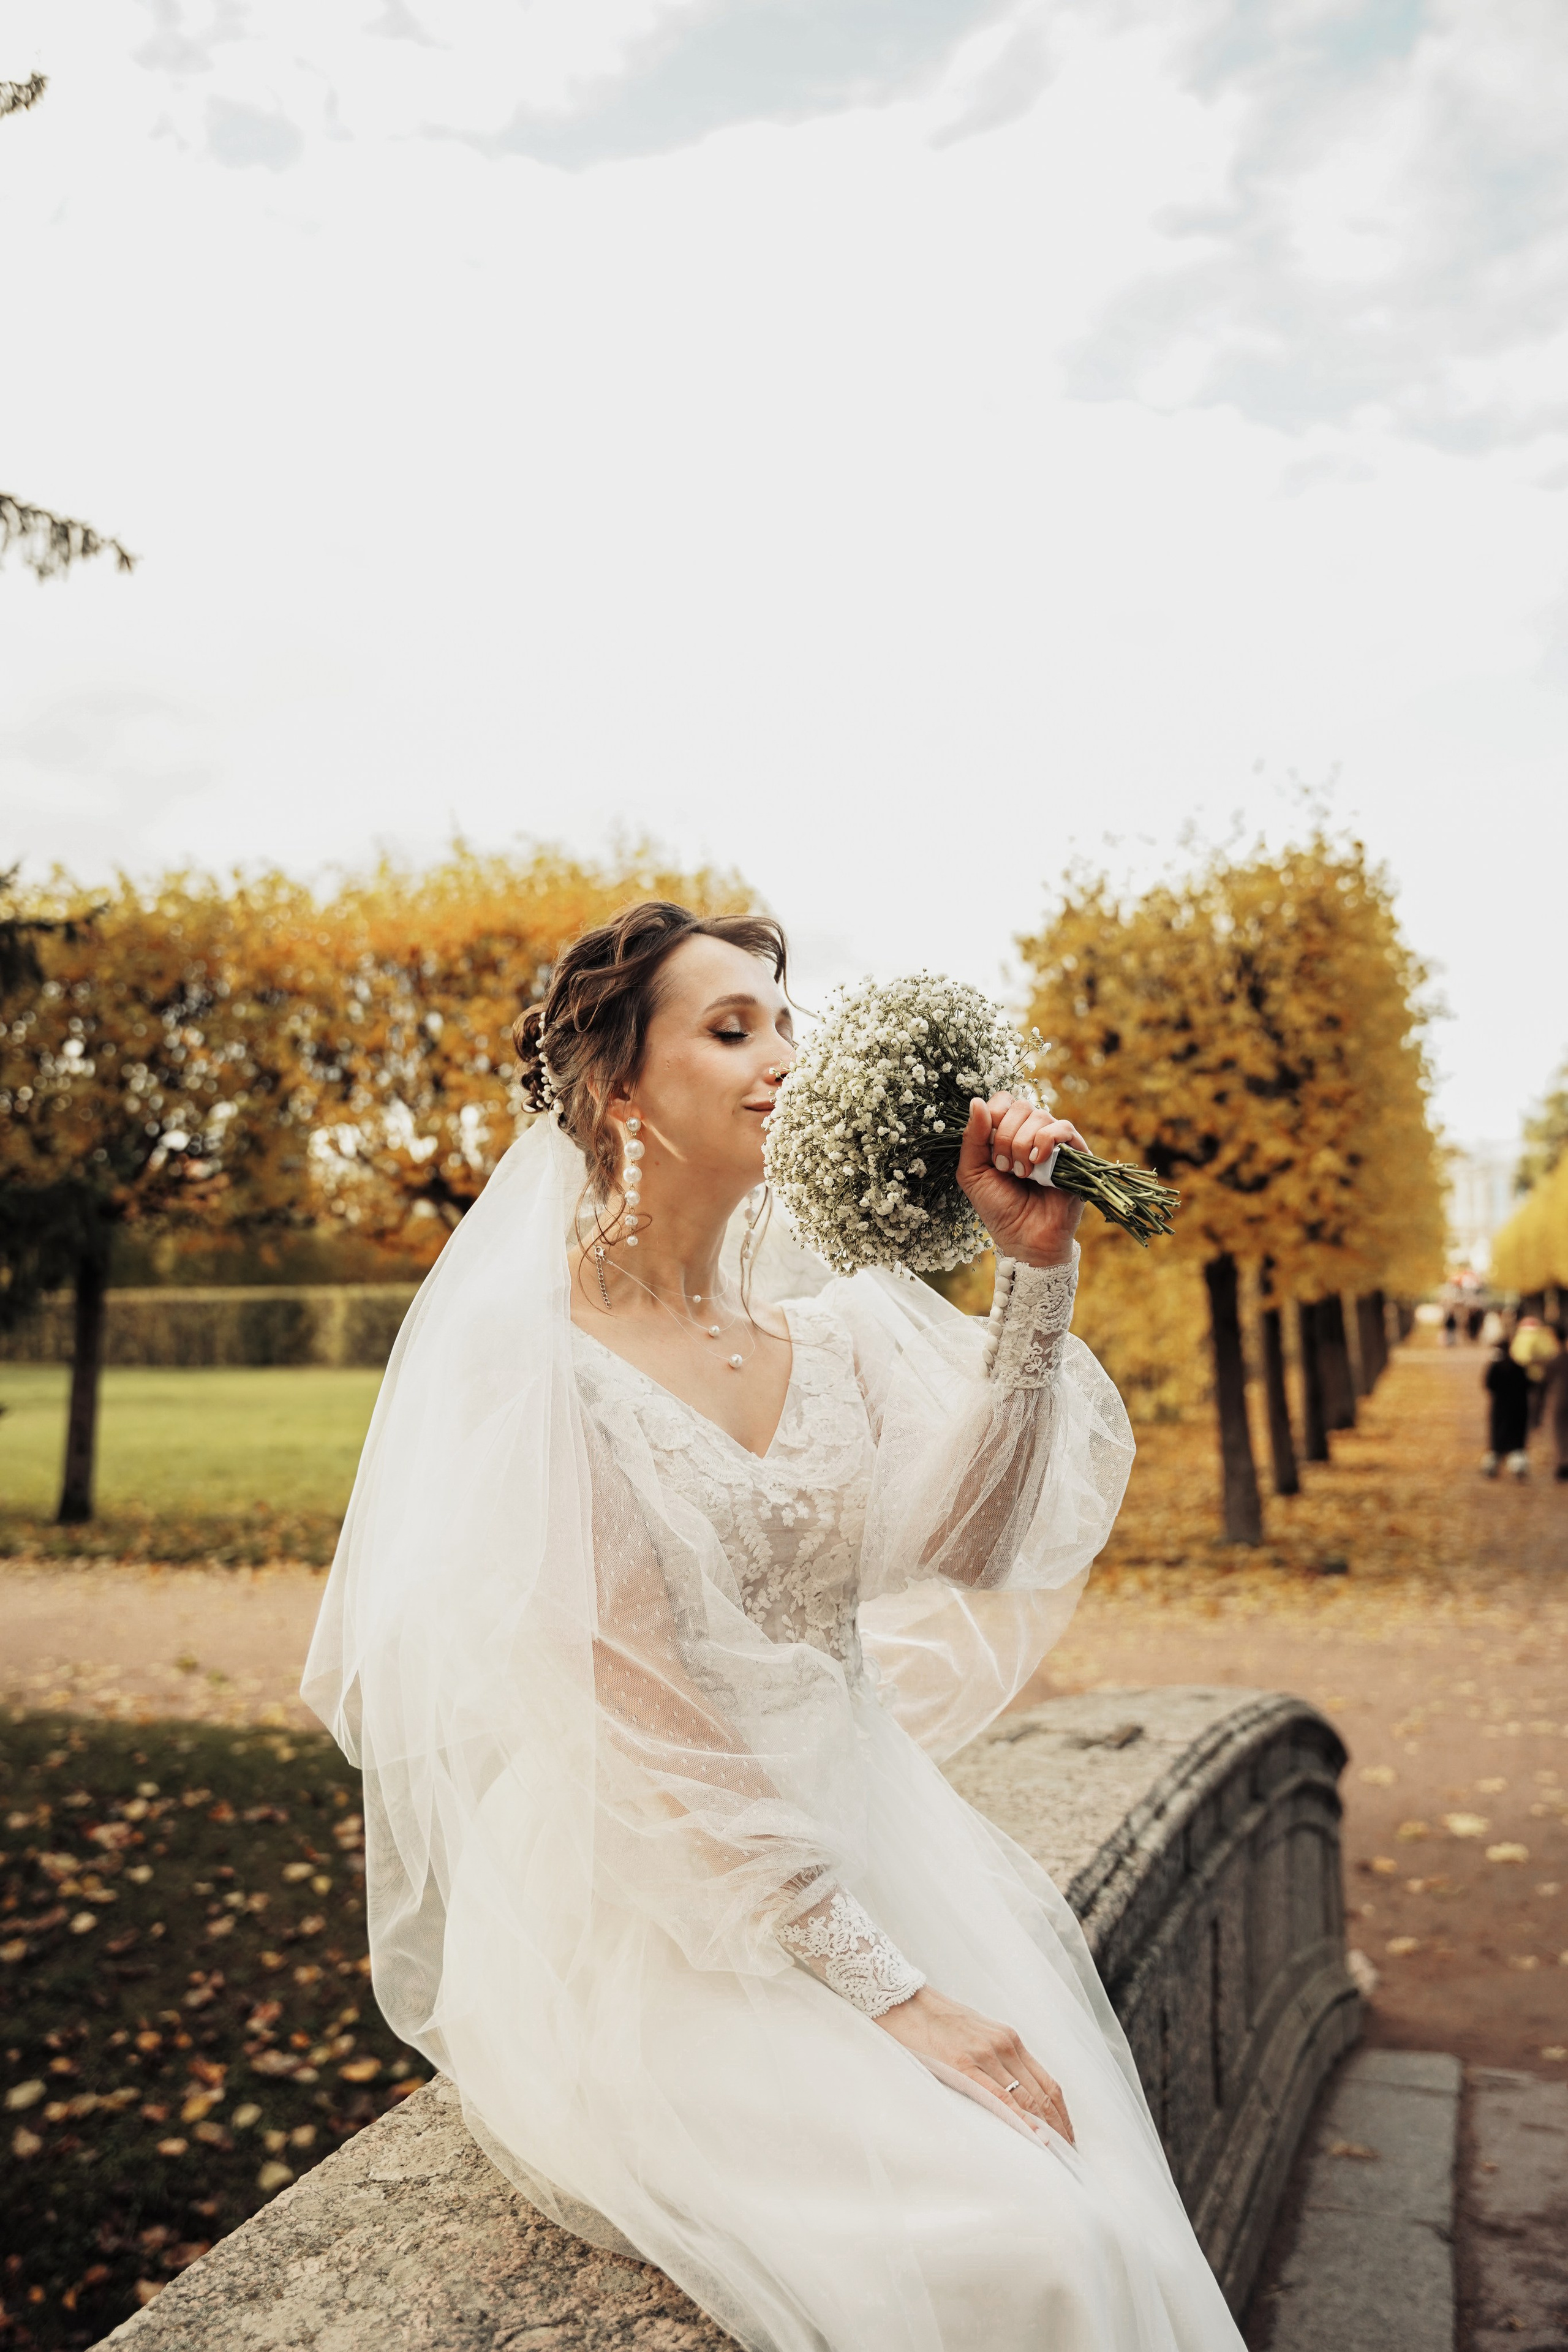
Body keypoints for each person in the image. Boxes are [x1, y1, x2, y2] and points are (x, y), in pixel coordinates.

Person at [303, 902, 1245, 2351]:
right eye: (729, 1028)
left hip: (880, 1839)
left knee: (1092, 2190)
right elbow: (645, 1706)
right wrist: (900, 1998)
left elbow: (971, 1543)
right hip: (660, 1918)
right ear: (619, 1086)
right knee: (1024, 2247)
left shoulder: (837, 1322)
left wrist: (1033, 1274)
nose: (782, 1056)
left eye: (787, 1022)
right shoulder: (532, 1359)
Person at [1483, 1337, 1532, 1477]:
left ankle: (1494, 1464)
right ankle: (1518, 1466)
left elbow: (1489, 1385)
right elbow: (1528, 1385)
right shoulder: (1518, 1366)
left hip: (1501, 1407)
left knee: (1498, 1438)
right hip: (1518, 1407)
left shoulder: (1495, 1367)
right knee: (1517, 1439)